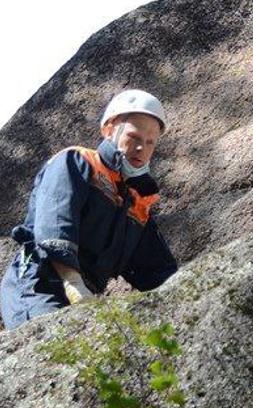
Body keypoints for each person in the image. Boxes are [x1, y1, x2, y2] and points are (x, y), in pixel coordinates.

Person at [2, 90, 178, 329]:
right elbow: (56, 222)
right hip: (38, 283)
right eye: (133, 136)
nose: (141, 148)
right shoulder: (77, 162)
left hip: (86, 296)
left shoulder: (137, 203)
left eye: (150, 142)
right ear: (109, 129)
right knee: (56, 345)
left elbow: (158, 271)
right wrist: (73, 281)